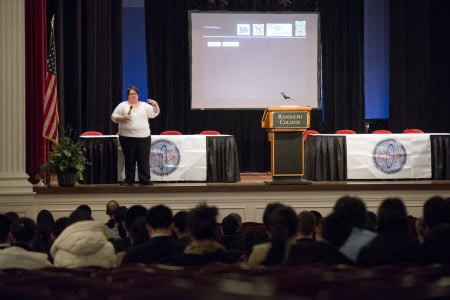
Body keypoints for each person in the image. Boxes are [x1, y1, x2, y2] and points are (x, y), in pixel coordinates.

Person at [111, 86, 160, 186]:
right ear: (128, 96)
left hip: (144, 137)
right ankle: (129, 179)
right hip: (127, 137)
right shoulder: (122, 105)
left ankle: (145, 179)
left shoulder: (144, 105)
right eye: (131, 94)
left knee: (143, 159)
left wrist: (155, 105)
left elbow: (154, 114)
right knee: (129, 159)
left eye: (135, 94)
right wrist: (122, 118)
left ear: (138, 95)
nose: (133, 96)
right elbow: (113, 117)